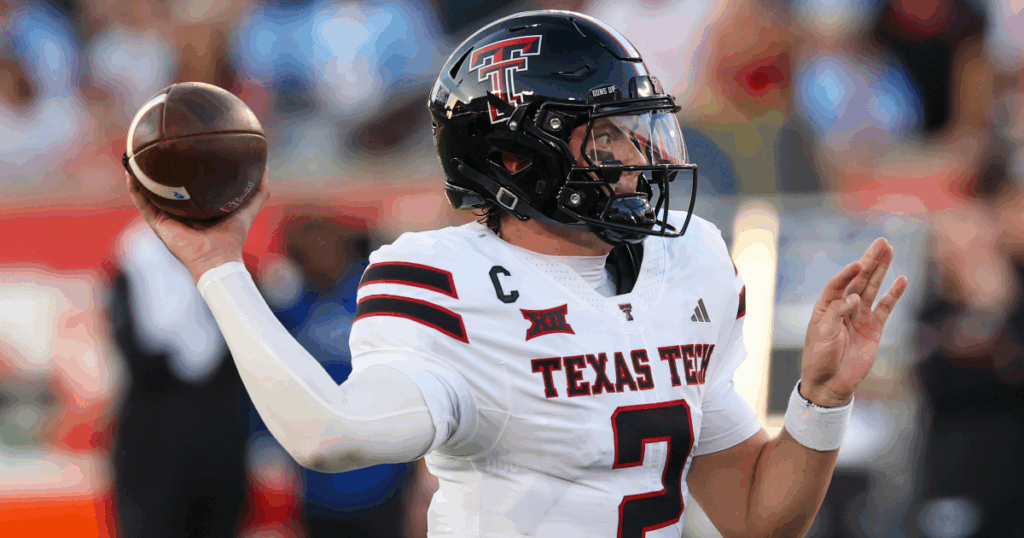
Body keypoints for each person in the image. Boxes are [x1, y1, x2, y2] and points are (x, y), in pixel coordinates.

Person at [125, 11, 907, 537]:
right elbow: (331, 435)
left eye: (641, 130)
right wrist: (218, 266)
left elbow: (755, 517)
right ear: (513, 158)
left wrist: (821, 398)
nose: (641, 158)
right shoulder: (445, 280)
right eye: (608, 137)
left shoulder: (687, 263)